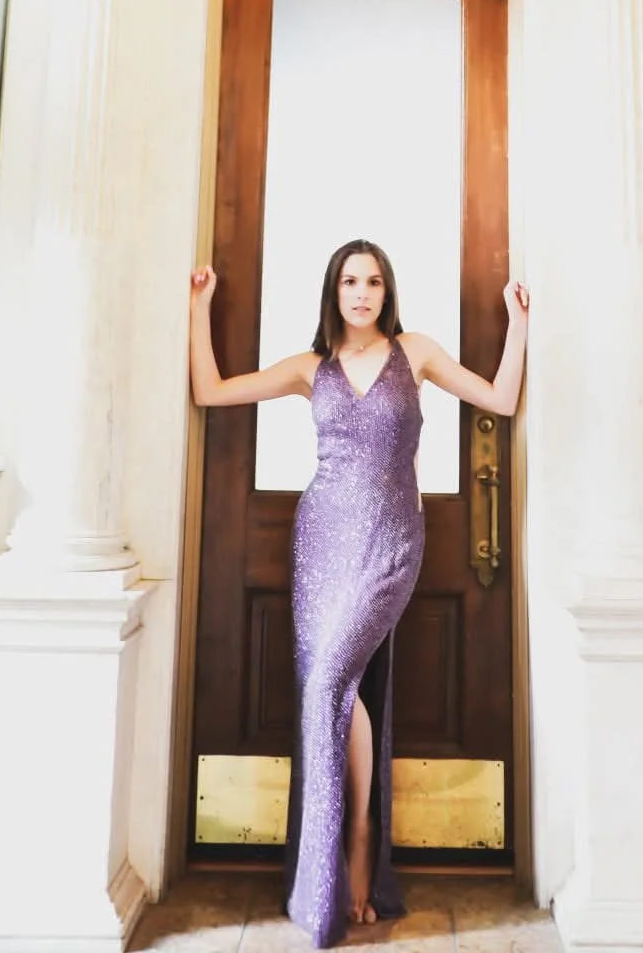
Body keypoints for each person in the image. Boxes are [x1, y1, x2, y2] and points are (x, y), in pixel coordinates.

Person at [188, 237, 529, 949]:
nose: (363, 293)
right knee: (336, 691)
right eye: (350, 281)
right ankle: (344, 853)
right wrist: (199, 309)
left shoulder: (419, 353)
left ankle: (360, 842)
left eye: (373, 281)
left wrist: (518, 324)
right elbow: (211, 392)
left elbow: (498, 397)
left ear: (387, 290)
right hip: (320, 545)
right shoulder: (310, 369)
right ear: (333, 292)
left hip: (392, 544)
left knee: (330, 686)